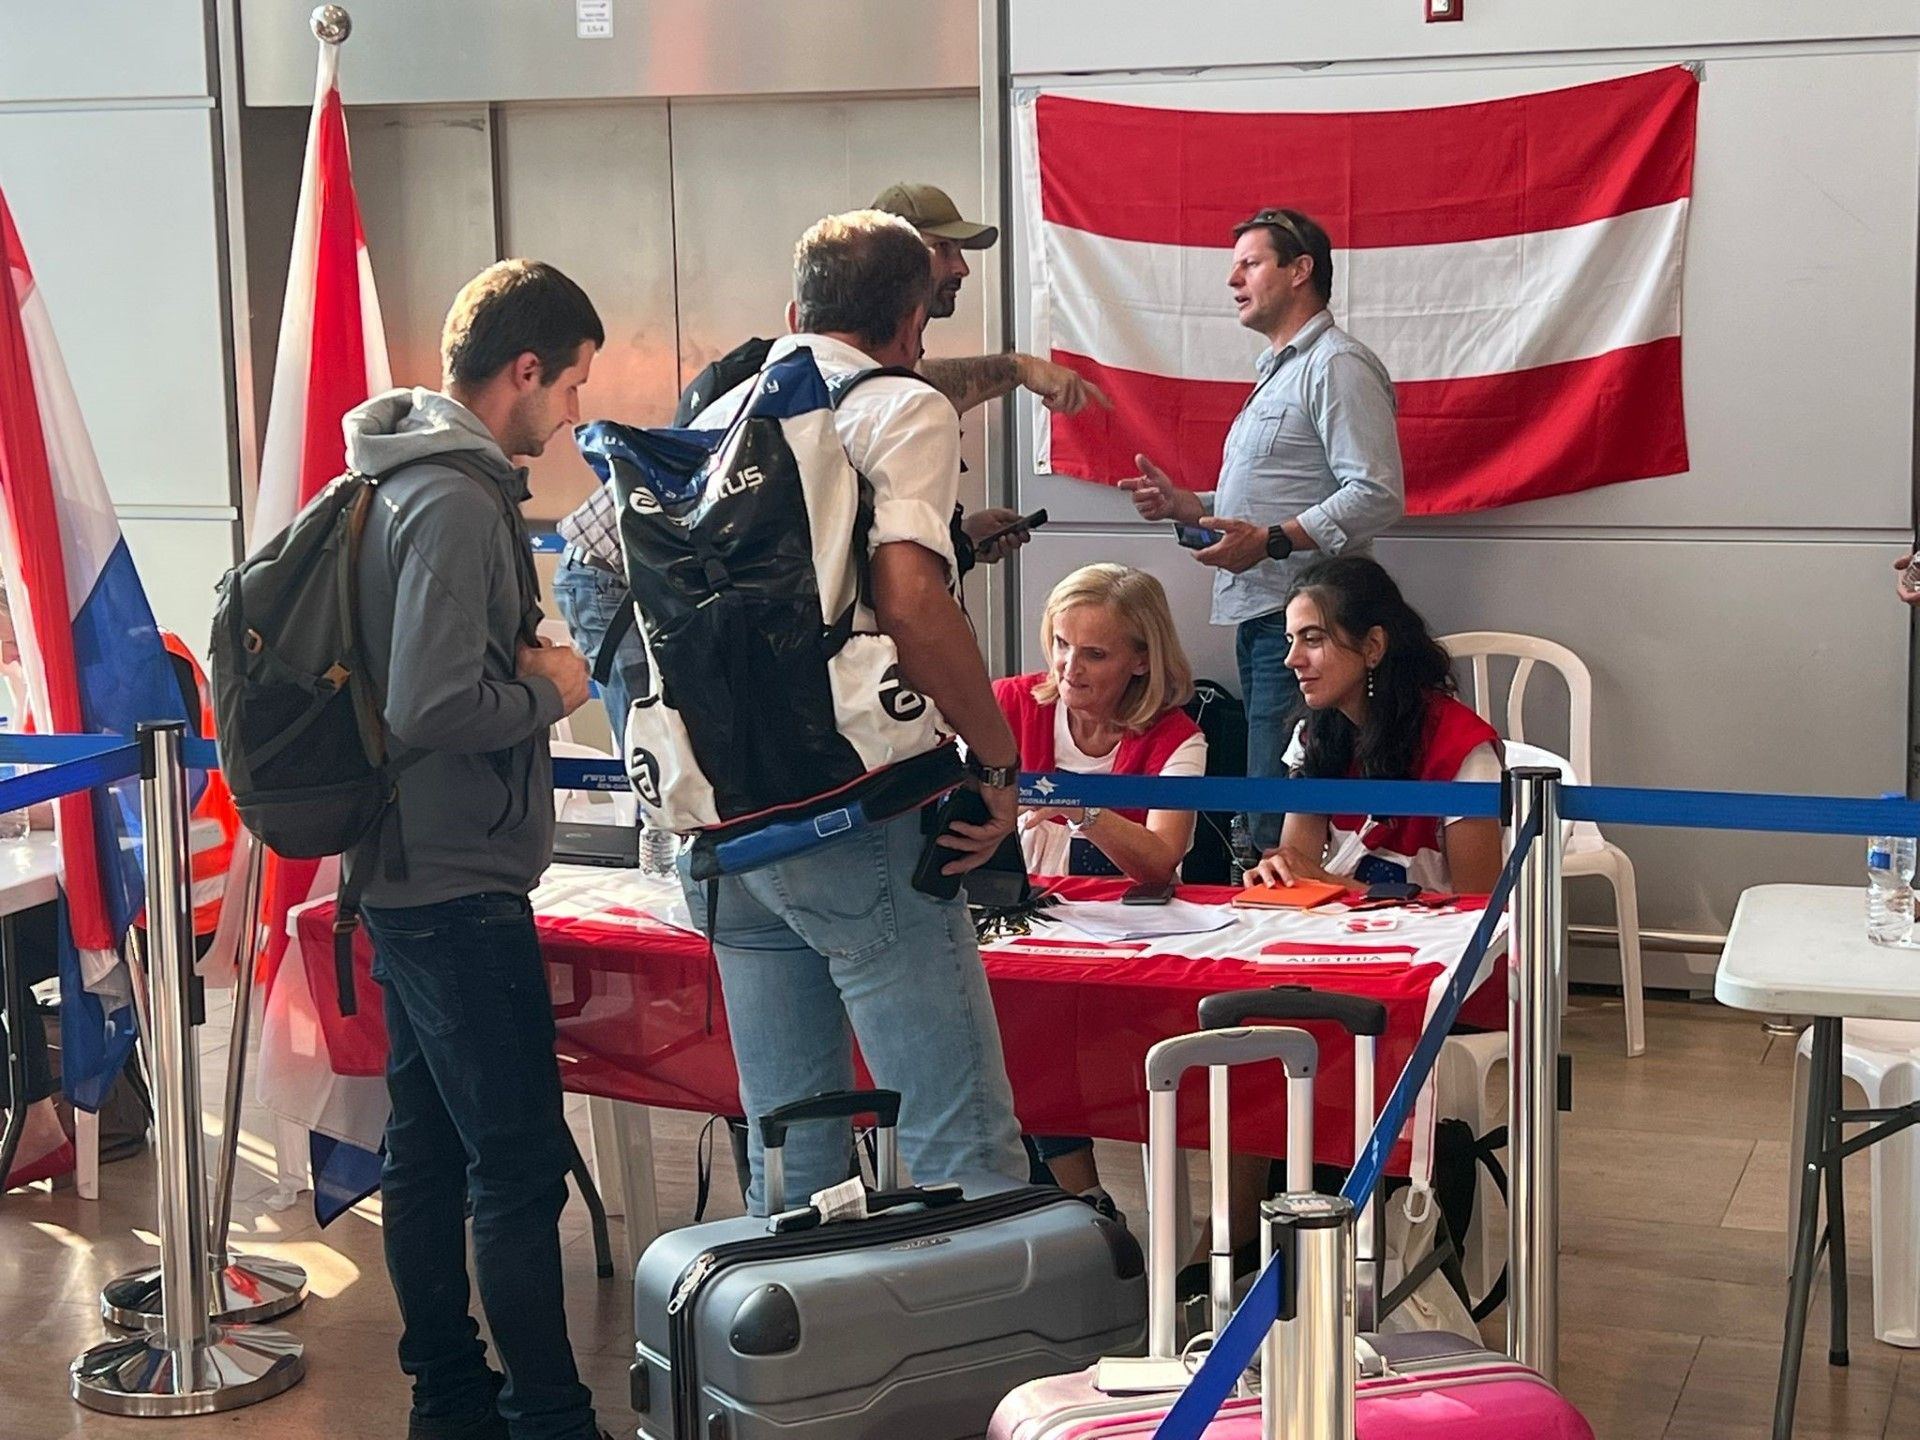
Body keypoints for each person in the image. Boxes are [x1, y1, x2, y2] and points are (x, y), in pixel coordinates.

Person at [684, 209, 1029, 1214]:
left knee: (792, 1145)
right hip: (855, 806)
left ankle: (794, 1362)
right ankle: (987, 1363)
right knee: (957, 1130)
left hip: (728, 822)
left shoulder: (718, 411)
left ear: (796, 310)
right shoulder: (901, 406)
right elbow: (913, 598)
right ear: (913, 318)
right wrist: (998, 764)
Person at [553, 182, 1113, 737]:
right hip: (620, 574)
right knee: (682, 754)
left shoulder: (865, 382)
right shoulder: (835, 381)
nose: (960, 268)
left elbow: (827, 538)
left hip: (682, 574)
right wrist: (992, 750)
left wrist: (958, 541)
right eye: (943, 249)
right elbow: (903, 594)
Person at [344, 259, 603, 1440]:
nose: (575, 417)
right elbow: (433, 706)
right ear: (525, 371)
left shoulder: (401, 479)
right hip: (453, 884)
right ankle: (545, 1414)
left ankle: (450, 1398)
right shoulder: (452, 499)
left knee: (432, 1150)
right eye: (572, 388)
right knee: (513, 1163)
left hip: (408, 868)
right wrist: (552, 690)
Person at [1120, 207, 1405, 856]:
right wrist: (1189, 507)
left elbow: (1377, 493)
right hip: (1262, 611)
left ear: (1300, 271)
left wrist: (1273, 541)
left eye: (1249, 263)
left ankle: (1279, 940)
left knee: (1278, 820)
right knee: (1265, 807)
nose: (1233, 280)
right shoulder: (1277, 368)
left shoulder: (1337, 365)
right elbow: (1273, 495)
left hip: (1306, 619)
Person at [993, 563, 1205, 1219]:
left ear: (1142, 661)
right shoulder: (1008, 704)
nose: (1069, 667)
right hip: (1015, 934)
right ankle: (1064, 1201)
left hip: (1121, 959)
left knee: (1028, 1019)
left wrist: (1085, 809)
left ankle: (1073, 1202)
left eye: (1094, 653)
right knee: (1001, 1008)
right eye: (1059, 644)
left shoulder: (1179, 740)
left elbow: (1160, 864)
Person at [1248, 555, 1503, 897]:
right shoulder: (1311, 736)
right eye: (1290, 640)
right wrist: (1280, 874)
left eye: (1312, 639)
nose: (1291, 659)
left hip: (1434, 946)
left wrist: (1332, 883)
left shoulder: (1463, 750)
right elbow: (1299, 869)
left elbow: (1478, 910)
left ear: (1372, 647)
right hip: (1338, 936)